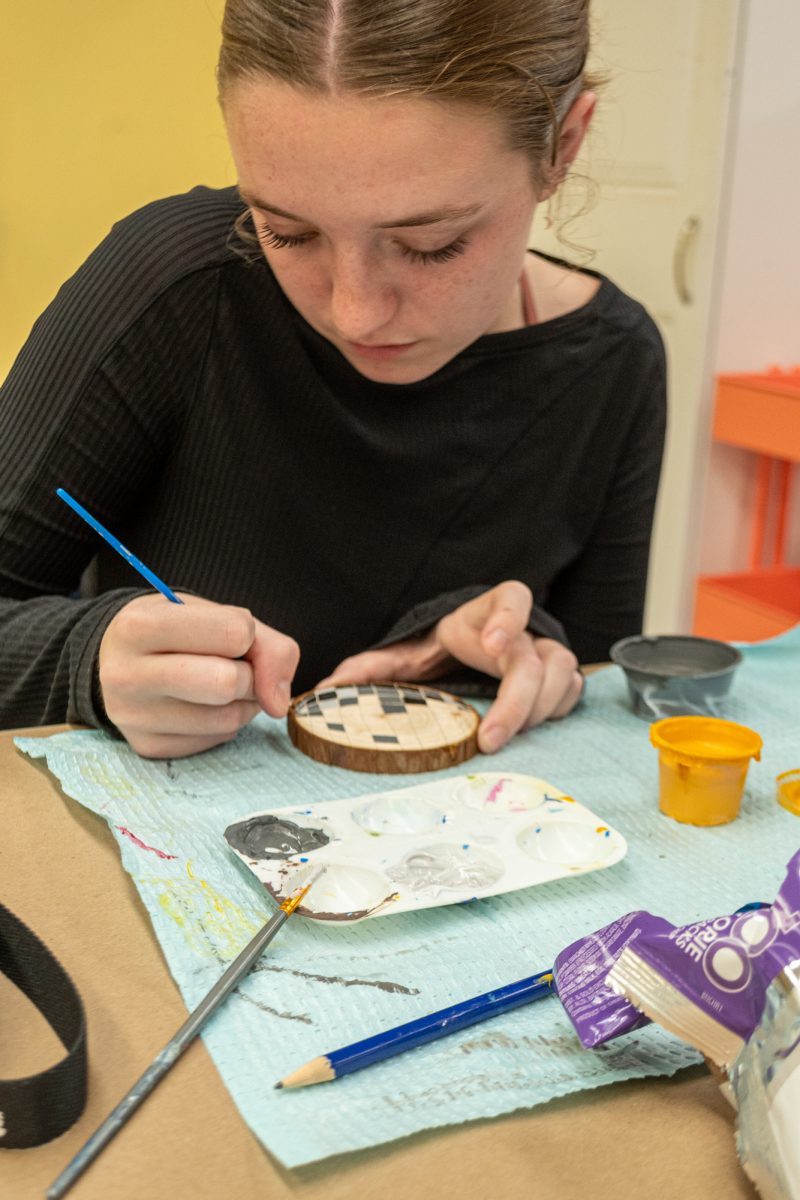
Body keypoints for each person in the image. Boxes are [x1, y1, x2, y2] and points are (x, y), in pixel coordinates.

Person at [0, 0, 665, 759]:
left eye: (431, 244)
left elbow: (601, 693)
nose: (355, 314)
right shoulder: (172, 284)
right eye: (287, 232)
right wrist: (86, 660)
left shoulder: (616, 361)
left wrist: (511, 658)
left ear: (564, 146)